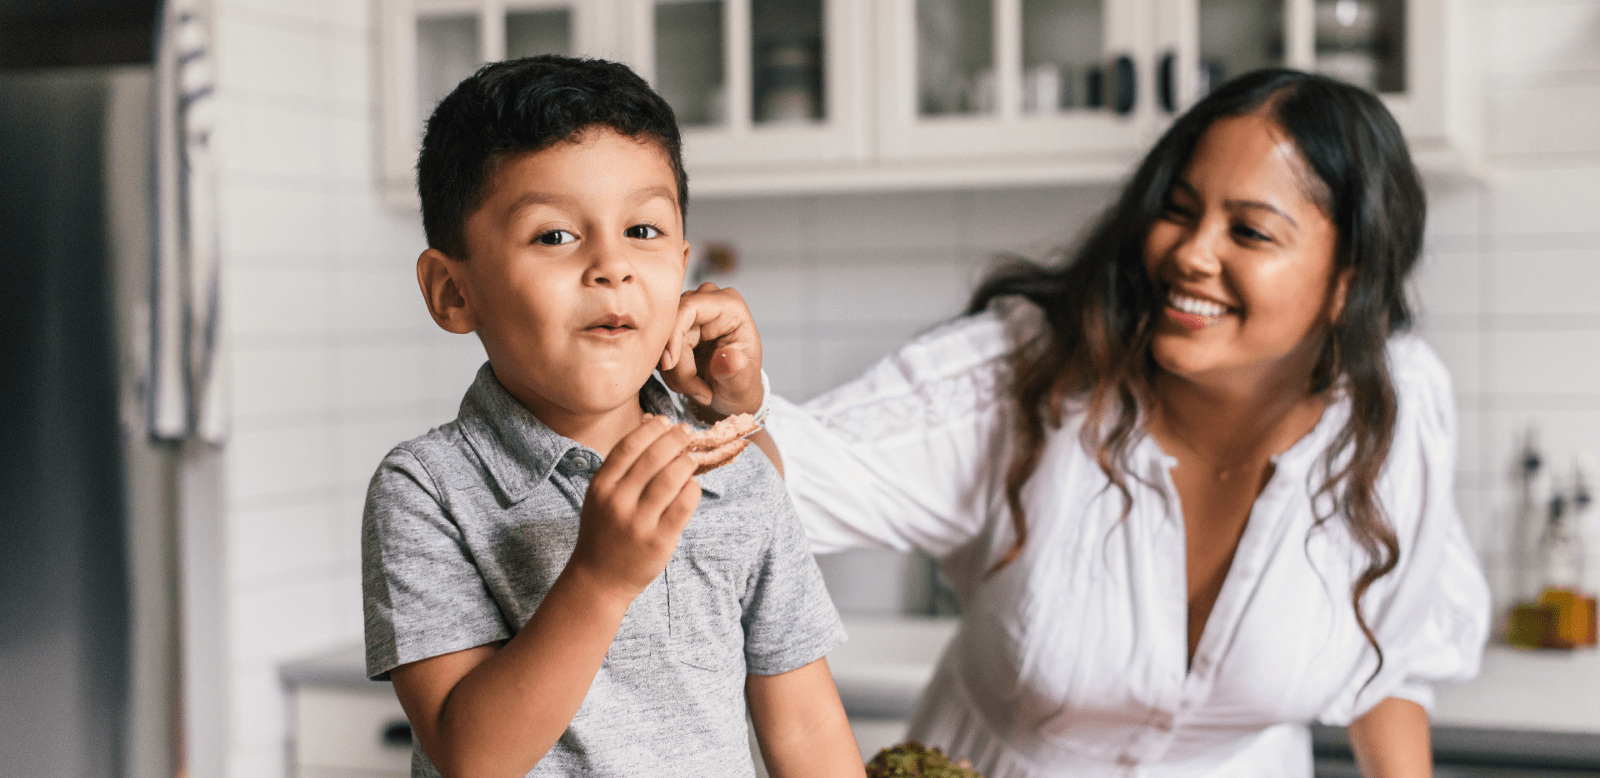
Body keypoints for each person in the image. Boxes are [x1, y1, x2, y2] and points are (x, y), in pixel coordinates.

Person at [682, 69, 1490, 777]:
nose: (1190, 254)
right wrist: (731, 399)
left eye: (1250, 231)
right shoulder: (1023, 374)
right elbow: (791, 481)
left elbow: (1396, 656)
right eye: (1178, 210)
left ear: (1349, 280)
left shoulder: (1397, 402)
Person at [360, 55, 865, 778]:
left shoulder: (737, 474)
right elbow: (470, 755)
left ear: (683, 266)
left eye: (644, 231)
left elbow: (809, 727)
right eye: (555, 236)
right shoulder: (426, 489)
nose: (612, 266)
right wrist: (600, 578)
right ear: (452, 292)